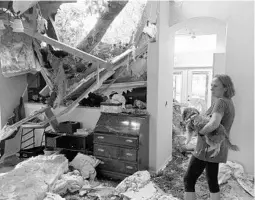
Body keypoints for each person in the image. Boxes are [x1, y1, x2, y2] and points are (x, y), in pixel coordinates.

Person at [183, 74, 236, 200]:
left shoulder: (221, 102)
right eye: (211, 85)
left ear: (225, 88)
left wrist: (200, 133)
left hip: (207, 148)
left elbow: (214, 123)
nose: (211, 88)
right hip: (217, 148)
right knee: (212, 179)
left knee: (188, 179)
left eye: (215, 86)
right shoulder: (228, 102)